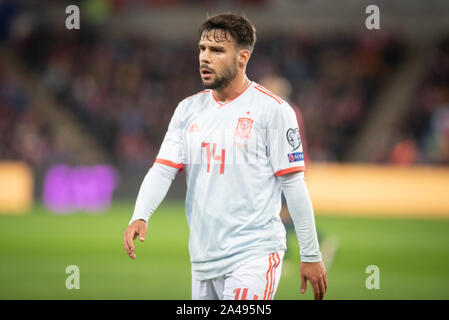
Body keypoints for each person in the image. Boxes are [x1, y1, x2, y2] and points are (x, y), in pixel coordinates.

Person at [123, 13, 327, 300]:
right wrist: (140, 215)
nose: (204, 57)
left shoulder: (274, 111)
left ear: (243, 58)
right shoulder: (187, 110)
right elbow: (162, 169)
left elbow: (294, 185)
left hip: (254, 255)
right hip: (203, 259)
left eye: (217, 50)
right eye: (202, 48)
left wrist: (310, 254)